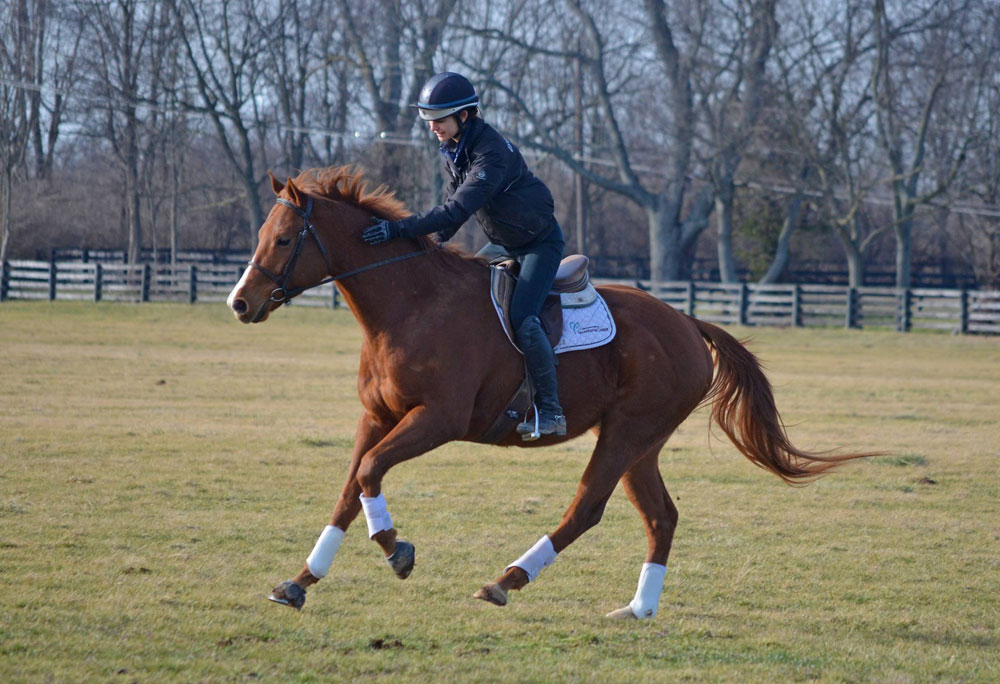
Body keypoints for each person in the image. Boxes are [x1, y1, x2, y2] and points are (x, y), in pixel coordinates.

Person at [362, 72, 566, 439]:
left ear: (464, 116)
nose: (432, 128)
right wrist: (431, 249)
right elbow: (450, 214)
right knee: (464, 293)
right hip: (504, 242)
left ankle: (551, 409)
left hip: (539, 245)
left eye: (438, 120)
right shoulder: (456, 148)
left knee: (523, 318)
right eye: (429, 121)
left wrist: (398, 229)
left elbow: (456, 209)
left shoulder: (490, 154)